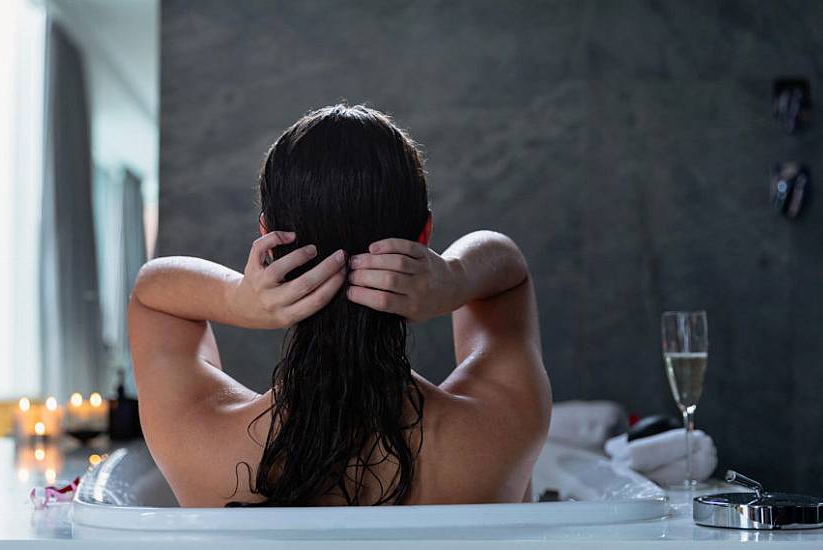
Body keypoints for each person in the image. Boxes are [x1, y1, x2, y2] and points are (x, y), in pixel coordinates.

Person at [129, 104, 551, 507]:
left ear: (268, 240)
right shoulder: (497, 433)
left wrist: (238, 299)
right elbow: (507, 270)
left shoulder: (203, 440)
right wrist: (456, 277)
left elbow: (151, 293)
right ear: (424, 235)